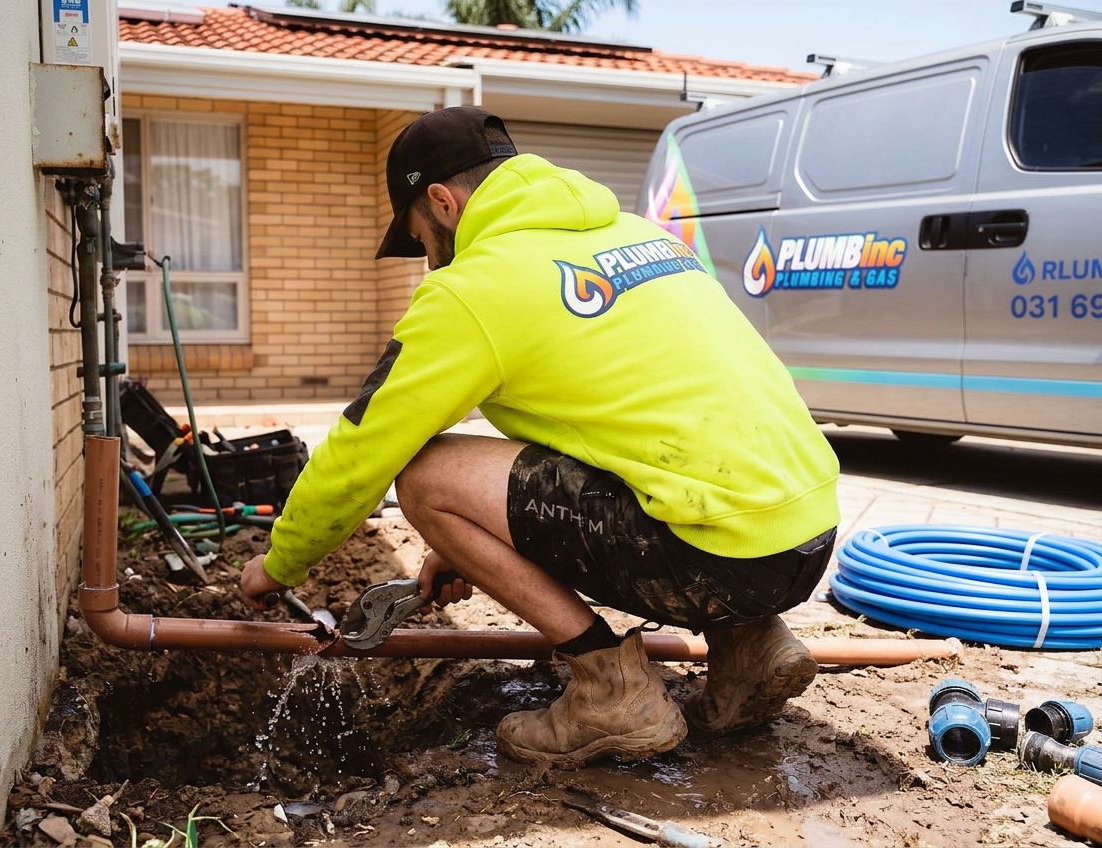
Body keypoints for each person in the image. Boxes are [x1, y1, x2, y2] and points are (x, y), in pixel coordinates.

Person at [241, 106, 840, 768]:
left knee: (425, 477)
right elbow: (619, 424)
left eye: (421, 241)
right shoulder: (642, 234)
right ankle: (752, 648)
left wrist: (279, 564)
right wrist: (471, 546)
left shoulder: (475, 286)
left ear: (442, 203)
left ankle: (609, 689)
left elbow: (361, 452)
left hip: (713, 558)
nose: (428, 263)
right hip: (805, 543)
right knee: (687, 470)